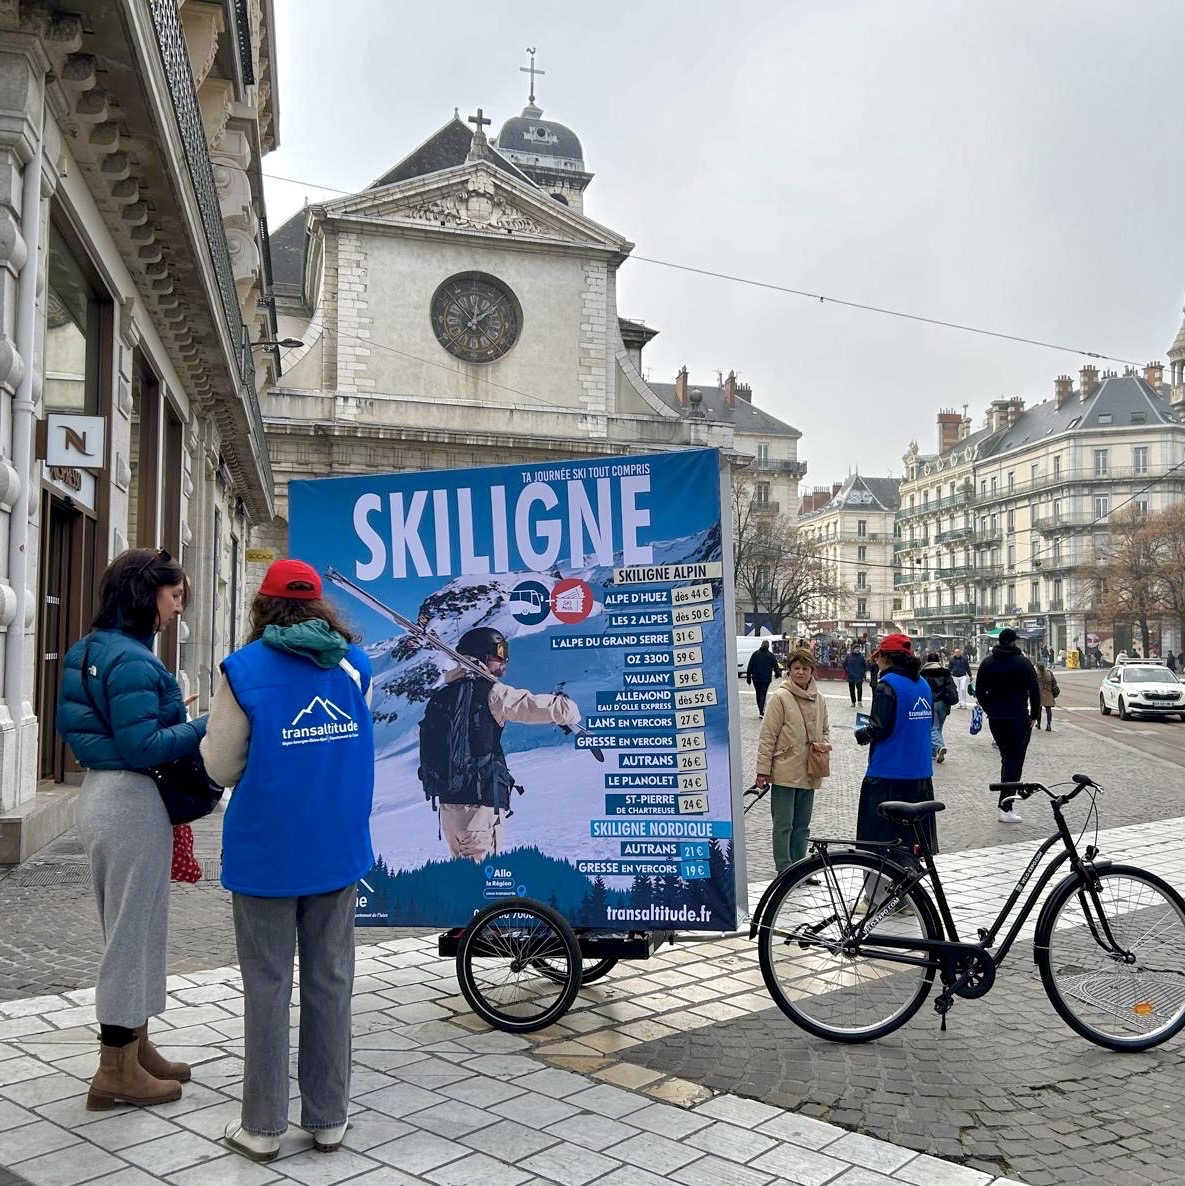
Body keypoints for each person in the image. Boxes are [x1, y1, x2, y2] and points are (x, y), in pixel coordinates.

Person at [201, 559, 375, 1162]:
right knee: (331, 980)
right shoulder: (356, 666)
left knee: (268, 984)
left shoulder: (242, 670)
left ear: (261, 606)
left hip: (267, 853)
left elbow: (220, 766)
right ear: (321, 607)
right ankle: (328, 1120)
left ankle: (263, 1128)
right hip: (336, 848)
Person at [55, 548, 204, 1111]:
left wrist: (167, 717)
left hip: (102, 794)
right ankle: (115, 1069)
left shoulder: (88, 649)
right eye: (174, 597)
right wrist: (204, 725)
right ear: (148, 596)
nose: (176, 611)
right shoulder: (137, 660)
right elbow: (143, 748)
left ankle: (137, 1047)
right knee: (129, 934)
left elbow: (110, 730)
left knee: (136, 926)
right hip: (131, 800)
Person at [419, 627, 581, 861]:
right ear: (482, 654)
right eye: (499, 651)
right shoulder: (491, 692)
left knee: (460, 881)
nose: (505, 659)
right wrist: (568, 710)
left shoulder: (441, 696)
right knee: (481, 885)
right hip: (478, 807)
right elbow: (530, 706)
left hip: (449, 809)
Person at [854, 634, 937, 876]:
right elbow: (928, 722)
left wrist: (861, 734)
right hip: (920, 774)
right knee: (910, 843)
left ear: (887, 658)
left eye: (879, 656)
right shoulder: (923, 684)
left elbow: (880, 727)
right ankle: (907, 895)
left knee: (878, 841)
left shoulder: (887, 685)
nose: (876, 661)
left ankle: (877, 897)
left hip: (887, 774)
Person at [754, 648, 832, 873]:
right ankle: (784, 868)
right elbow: (768, 737)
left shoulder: (820, 699)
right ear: (789, 670)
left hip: (810, 769)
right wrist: (763, 771)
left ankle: (799, 867)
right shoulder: (780, 697)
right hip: (785, 770)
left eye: (805, 668)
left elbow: (825, 729)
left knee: (802, 825)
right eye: (796, 668)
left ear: (811, 672)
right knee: (783, 824)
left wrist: (822, 745)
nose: (800, 672)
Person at [974, 627, 1041, 824]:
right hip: (1018, 718)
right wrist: (1034, 715)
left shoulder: (987, 662)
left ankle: (1006, 804)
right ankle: (1006, 807)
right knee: (1014, 761)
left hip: (997, 719)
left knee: (1007, 758)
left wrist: (990, 709)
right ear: (1013, 642)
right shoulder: (1023, 663)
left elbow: (979, 692)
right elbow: (1034, 692)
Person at [920, 651, 959, 763]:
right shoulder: (945, 672)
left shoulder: (923, 672)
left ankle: (939, 746)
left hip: (928, 703)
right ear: (938, 660)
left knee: (932, 727)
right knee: (938, 727)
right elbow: (951, 688)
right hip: (943, 703)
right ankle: (933, 752)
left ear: (927, 660)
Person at [746, 639, 781, 717]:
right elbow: (775, 666)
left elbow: (750, 666)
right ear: (768, 646)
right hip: (766, 679)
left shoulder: (755, 654)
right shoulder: (771, 655)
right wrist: (777, 674)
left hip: (756, 678)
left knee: (758, 693)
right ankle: (761, 711)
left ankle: (760, 709)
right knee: (763, 694)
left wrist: (748, 678)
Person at [1035, 661, 1059, 732]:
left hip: (1039, 694)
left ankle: (1038, 724)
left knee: (1038, 710)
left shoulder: (1036, 674)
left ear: (1037, 668)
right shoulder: (1049, 673)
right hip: (1048, 693)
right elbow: (1054, 683)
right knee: (1048, 710)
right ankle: (1048, 725)